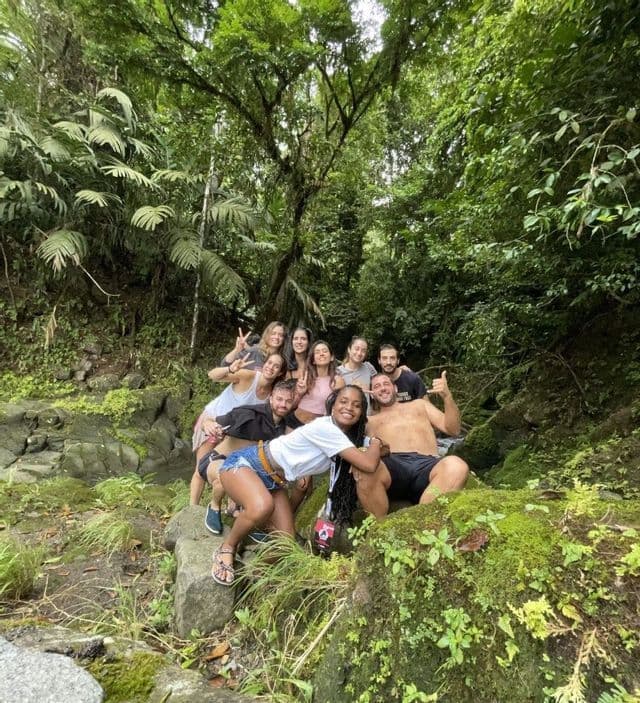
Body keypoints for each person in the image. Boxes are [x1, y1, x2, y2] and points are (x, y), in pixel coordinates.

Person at [211, 385, 390, 586]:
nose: (349, 408)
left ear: (361, 414)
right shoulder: (326, 428)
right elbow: (368, 462)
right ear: (332, 406)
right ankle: (227, 548)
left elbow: (385, 451)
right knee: (262, 506)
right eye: (344, 402)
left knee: (286, 544)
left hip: (274, 481)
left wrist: (374, 444)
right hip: (245, 465)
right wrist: (374, 443)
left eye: (357, 405)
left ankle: (255, 571)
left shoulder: (347, 438)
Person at [354, 371, 469, 518]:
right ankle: (378, 528)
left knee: (457, 466)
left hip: (427, 466)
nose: (382, 388)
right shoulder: (368, 421)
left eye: (386, 384)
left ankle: (423, 522)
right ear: (371, 393)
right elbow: (344, 432)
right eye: (376, 386)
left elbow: (453, 429)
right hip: (392, 467)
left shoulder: (420, 405)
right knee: (362, 466)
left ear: (395, 388)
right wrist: (356, 396)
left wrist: (447, 397)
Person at [196, 382, 295, 535]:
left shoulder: (285, 428)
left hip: (248, 470)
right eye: (279, 399)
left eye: (288, 401)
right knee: (226, 474)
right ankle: (215, 506)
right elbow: (210, 421)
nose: (283, 404)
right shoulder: (249, 414)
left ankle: (247, 519)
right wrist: (208, 425)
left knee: (269, 488)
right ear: (271, 398)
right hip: (216, 460)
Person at [190, 351, 287, 505]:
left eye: (276, 366)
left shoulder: (274, 395)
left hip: (234, 430)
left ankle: (227, 507)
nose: (271, 368)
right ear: (264, 364)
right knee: (200, 469)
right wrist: (230, 369)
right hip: (214, 421)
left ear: (280, 372)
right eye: (269, 363)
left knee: (231, 467)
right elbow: (212, 376)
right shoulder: (248, 376)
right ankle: (191, 509)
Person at [293, 340, 345, 425]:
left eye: (325, 351)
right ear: (313, 360)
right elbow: (292, 404)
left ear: (331, 357)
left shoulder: (337, 381)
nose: (321, 354)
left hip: (318, 428)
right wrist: (300, 393)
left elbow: (339, 409)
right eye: (317, 352)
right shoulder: (305, 376)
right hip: (295, 421)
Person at [220, 321, 287, 370]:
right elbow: (224, 365)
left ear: (284, 339)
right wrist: (236, 350)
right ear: (267, 334)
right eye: (273, 333)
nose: (276, 337)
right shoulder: (254, 351)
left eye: (280, 335)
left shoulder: (282, 359)